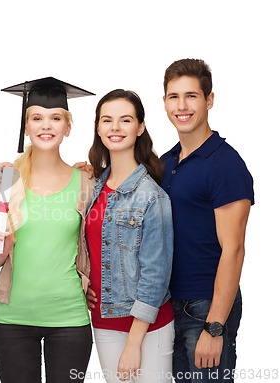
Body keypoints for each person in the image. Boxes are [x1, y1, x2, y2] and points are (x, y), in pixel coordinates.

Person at [0, 77, 95, 383]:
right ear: (26, 126)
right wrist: (2, 225)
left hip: (70, 319)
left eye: (55, 118)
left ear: (67, 127)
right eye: (36, 118)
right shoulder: (7, 181)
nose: (45, 126)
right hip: (13, 319)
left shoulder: (85, 183)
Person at [160, 58, 254, 382]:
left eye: (191, 96)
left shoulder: (225, 164)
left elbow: (234, 250)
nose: (182, 106)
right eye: (174, 97)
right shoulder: (167, 161)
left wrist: (215, 327)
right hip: (169, 307)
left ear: (209, 99)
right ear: (164, 102)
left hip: (205, 309)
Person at [85, 89, 174, 383]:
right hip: (104, 321)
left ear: (140, 127)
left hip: (148, 327)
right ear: (98, 128)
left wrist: (135, 342)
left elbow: (155, 273)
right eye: (107, 120)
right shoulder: (94, 188)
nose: (115, 128)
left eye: (125, 120)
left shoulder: (152, 196)